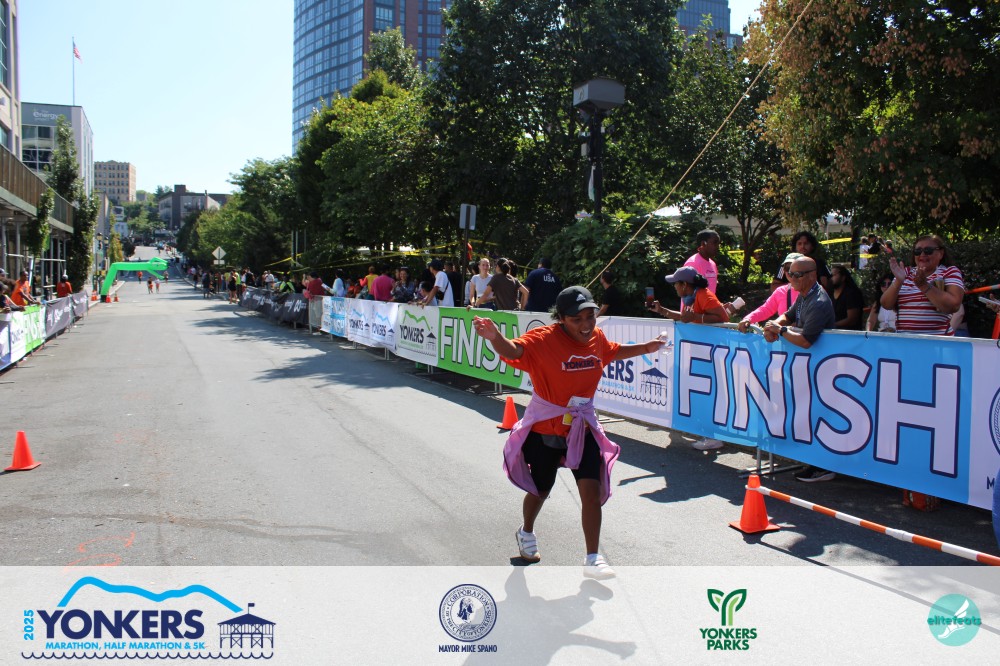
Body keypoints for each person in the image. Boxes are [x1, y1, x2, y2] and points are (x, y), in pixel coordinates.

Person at [472, 286, 665, 579]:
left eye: (591, 316)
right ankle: (526, 531)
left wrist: (647, 348)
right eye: (577, 319)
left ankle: (593, 558)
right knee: (541, 488)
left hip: (582, 426)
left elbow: (613, 351)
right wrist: (494, 337)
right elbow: (514, 350)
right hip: (546, 428)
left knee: (592, 491)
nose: (586, 325)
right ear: (561, 318)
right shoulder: (543, 340)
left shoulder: (596, 338)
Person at [762, 256, 836, 482]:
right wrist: (775, 325)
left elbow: (805, 341)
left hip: (822, 366)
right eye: (789, 274)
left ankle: (824, 466)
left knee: (820, 415)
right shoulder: (804, 295)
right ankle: (813, 461)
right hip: (808, 366)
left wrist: (779, 331)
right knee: (807, 413)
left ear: (812, 275)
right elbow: (788, 315)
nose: (791, 279)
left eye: (796, 275)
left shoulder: (819, 300)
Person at [880, 235, 963, 336]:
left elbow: (954, 305)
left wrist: (924, 285)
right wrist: (898, 281)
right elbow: (886, 304)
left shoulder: (949, 272)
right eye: (918, 251)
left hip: (937, 341)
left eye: (928, 250)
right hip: (905, 341)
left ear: (941, 253)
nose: (922, 254)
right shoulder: (905, 272)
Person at [738, 253, 803, 333]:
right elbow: (766, 309)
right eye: (787, 268)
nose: (790, 272)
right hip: (785, 337)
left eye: (795, 268)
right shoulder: (781, 291)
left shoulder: (814, 291)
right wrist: (748, 319)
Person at [648, 266, 727, 325]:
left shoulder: (704, 295)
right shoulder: (689, 296)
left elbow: (723, 318)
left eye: (675, 283)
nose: (674, 286)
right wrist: (661, 310)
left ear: (684, 284)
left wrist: (695, 317)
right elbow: (684, 317)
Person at [829, 265, 864, 330]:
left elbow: (852, 319)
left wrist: (832, 325)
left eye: (834, 275)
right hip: (832, 332)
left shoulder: (852, 293)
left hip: (849, 333)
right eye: (830, 275)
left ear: (843, 277)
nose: (831, 277)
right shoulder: (830, 294)